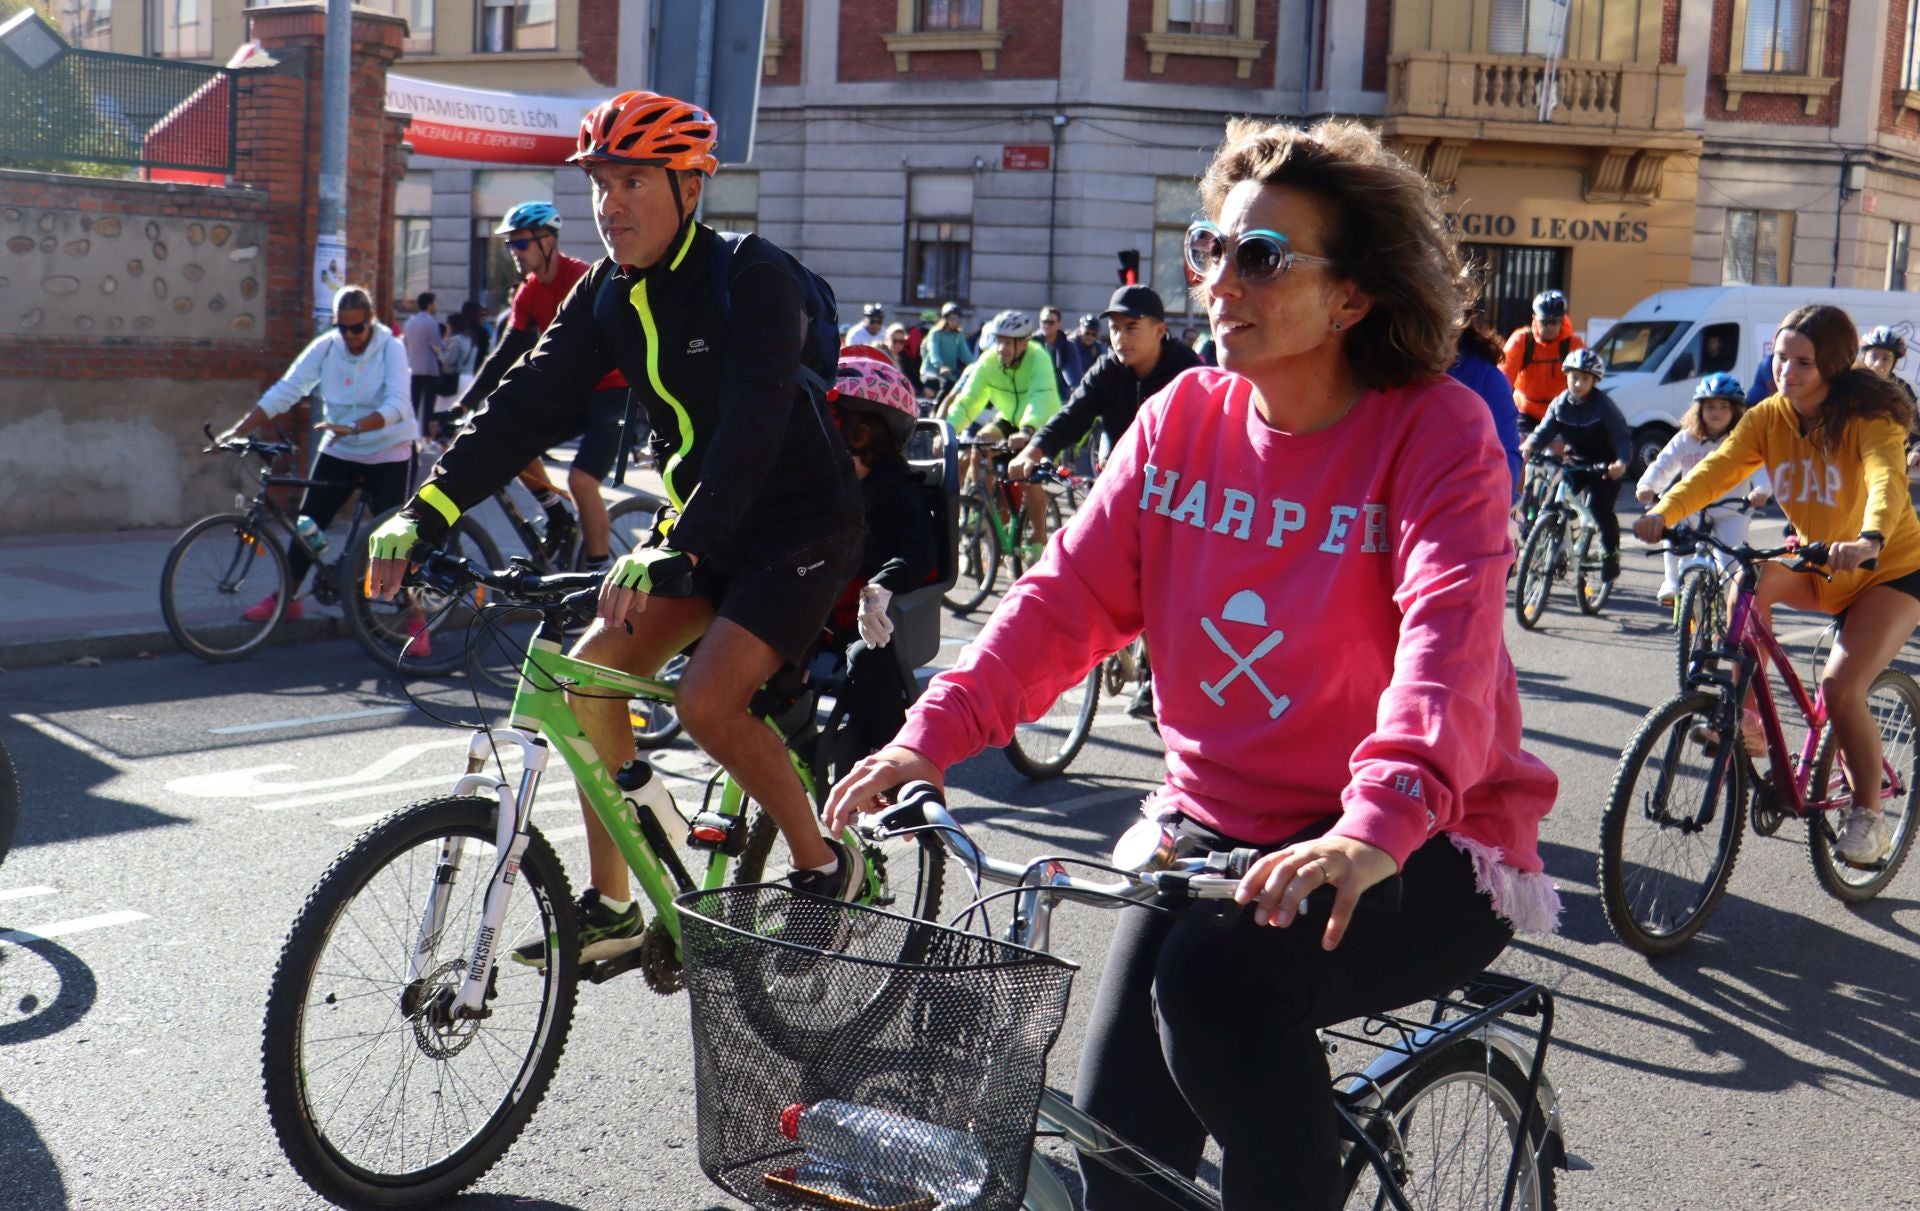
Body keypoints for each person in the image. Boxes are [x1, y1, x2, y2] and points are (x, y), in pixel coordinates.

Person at [827, 116, 1557, 1211]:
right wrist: (927, 737)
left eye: (1261, 256)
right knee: (1120, 1156)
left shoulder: (1436, 431)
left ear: (1351, 297)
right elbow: (1061, 600)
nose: (1220, 281)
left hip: (1419, 840)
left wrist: (1376, 821)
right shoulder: (1181, 421)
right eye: (1210, 249)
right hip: (1215, 829)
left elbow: (1444, 641)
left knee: (1213, 990)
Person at [367, 89, 869, 965]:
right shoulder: (604, 293)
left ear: (690, 187)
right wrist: (426, 510)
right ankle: (614, 903)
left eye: (633, 181)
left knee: (706, 701)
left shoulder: (753, 276)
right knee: (589, 676)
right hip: (700, 524)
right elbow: (524, 406)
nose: (609, 204)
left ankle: (826, 863)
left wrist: (682, 543)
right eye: (600, 183)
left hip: (796, 524)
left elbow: (754, 426)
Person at [1636, 304, 1920, 864]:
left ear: (1833, 366)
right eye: (1780, 358)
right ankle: (1746, 717)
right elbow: (1717, 470)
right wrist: (1665, 510)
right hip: (1818, 561)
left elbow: (1886, 481)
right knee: (1748, 581)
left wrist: (1869, 538)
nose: (1786, 371)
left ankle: (1868, 814)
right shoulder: (1769, 417)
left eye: (1803, 362)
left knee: (1840, 687)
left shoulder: (1869, 419)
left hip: (1886, 568)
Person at [453, 200, 634, 573]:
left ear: (548, 241)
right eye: (510, 244)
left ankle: (598, 574)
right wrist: (464, 404)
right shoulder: (528, 292)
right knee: (514, 442)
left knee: (581, 481)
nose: (514, 252)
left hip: (615, 392)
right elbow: (505, 353)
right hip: (576, 392)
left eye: (521, 243)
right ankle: (557, 517)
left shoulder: (582, 279)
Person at [220, 286, 418, 623]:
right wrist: (238, 430)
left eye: (357, 328)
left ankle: (416, 616)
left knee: (393, 541)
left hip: (389, 448)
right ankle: (287, 599)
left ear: (371, 321)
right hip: (341, 446)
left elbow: (398, 406)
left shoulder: (391, 349)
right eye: (342, 328)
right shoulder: (327, 347)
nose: (349, 336)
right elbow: (287, 389)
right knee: (307, 525)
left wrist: (354, 427)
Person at [820, 353, 940, 780]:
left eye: (835, 425)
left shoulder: (898, 491)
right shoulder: (830, 486)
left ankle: (891, 762)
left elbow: (920, 552)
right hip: (816, 613)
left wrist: (881, 586)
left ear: (865, 433)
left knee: (867, 660)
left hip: (873, 624)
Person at [1634, 373, 1772, 606]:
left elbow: (1761, 469)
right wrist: (1647, 486)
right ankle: (1671, 582)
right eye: (1710, 406)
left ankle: (1735, 614)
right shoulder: (1686, 438)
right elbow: (1663, 464)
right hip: (1692, 509)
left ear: (1736, 411)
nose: (1716, 412)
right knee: (1673, 529)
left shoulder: (1742, 440)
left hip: (1731, 510)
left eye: (1723, 407)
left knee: (1732, 568)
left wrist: (1761, 491)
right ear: (1698, 409)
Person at [944, 309, 1063, 553]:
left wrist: (1028, 430)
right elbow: (969, 400)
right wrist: (948, 430)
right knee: (981, 442)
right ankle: (979, 508)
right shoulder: (989, 361)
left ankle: (1038, 542)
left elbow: (1041, 398)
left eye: (1008, 342)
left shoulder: (1038, 358)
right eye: (999, 341)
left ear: (1024, 343)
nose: (1001, 348)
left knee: (1030, 478)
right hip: (1008, 420)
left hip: (1039, 425)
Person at [1518, 348, 1630, 581]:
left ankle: (1611, 554)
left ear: (1594, 381)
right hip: (1575, 461)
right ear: (1566, 376)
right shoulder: (1560, 404)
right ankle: (1551, 542)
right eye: (1574, 377)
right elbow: (1544, 431)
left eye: (1585, 378)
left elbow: (1621, 438)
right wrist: (1529, 446)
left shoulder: (1604, 406)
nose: (1578, 383)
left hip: (1604, 465)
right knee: (1549, 505)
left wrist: (1621, 462)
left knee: (1599, 510)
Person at [1501, 288, 1582, 431]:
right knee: (1518, 443)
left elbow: (1584, 381)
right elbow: (1503, 378)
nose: (1550, 327)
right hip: (1526, 410)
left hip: (1561, 410)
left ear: (1563, 320)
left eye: (1555, 321)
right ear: (1534, 318)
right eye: (1544, 321)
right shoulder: (1521, 340)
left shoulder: (1574, 344)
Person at [400, 291, 443, 435]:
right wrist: (445, 344)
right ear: (429, 305)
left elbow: (405, 344)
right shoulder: (432, 322)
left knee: (413, 404)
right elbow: (436, 345)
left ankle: (410, 434)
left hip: (412, 367)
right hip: (429, 368)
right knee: (428, 407)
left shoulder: (409, 323)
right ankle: (426, 436)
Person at [920, 301, 970, 397]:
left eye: (957, 319)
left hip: (949, 375)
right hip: (932, 372)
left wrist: (975, 365)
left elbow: (965, 353)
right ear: (945, 319)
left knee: (953, 395)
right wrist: (940, 366)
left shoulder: (958, 335)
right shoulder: (935, 332)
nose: (955, 322)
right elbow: (933, 351)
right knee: (931, 392)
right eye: (952, 318)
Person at [1038, 305, 1089, 397]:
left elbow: (1074, 378)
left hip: (1060, 395)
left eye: (1051, 322)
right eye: (1044, 322)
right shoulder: (1031, 344)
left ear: (1058, 324)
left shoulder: (1067, 346)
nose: (1047, 325)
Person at [1072, 313, 1107, 384]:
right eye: (1087, 333)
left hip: (1088, 382)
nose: (1090, 337)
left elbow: (1105, 367)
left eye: (1094, 334)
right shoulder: (1070, 345)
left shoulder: (1097, 347)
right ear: (1080, 331)